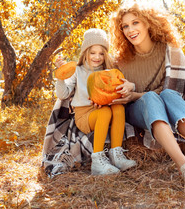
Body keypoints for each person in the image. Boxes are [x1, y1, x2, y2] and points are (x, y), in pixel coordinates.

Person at [109, 3, 185, 190]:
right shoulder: (119, 60)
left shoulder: (168, 49)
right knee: (150, 98)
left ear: (148, 23)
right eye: (125, 26)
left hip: (165, 105)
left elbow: (176, 87)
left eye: (135, 23)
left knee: (168, 93)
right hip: (136, 110)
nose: (130, 30)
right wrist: (131, 95)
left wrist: (137, 93)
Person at [55, 28, 137, 175]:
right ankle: (98, 160)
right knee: (105, 111)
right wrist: (61, 77)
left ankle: (116, 154)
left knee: (118, 108)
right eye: (92, 52)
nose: (97, 57)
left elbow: (122, 87)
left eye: (101, 53)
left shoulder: (108, 71)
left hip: (104, 110)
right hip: (84, 116)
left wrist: (131, 86)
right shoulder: (77, 71)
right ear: (85, 52)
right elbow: (63, 94)